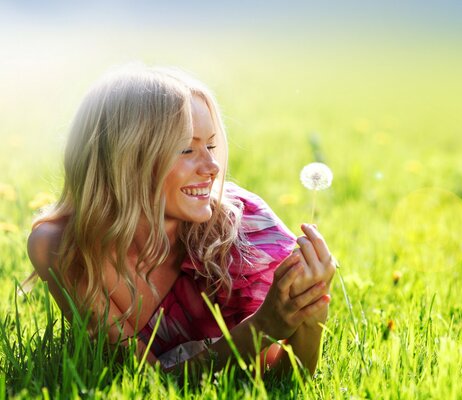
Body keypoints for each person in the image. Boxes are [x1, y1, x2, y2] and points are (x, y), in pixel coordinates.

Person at [25, 64, 336, 375]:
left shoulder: (243, 231)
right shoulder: (63, 247)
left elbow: (282, 379)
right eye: (187, 149)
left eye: (211, 145)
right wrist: (261, 327)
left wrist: (310, 315)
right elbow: (144, 382)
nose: (212, 167)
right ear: (125, 158)